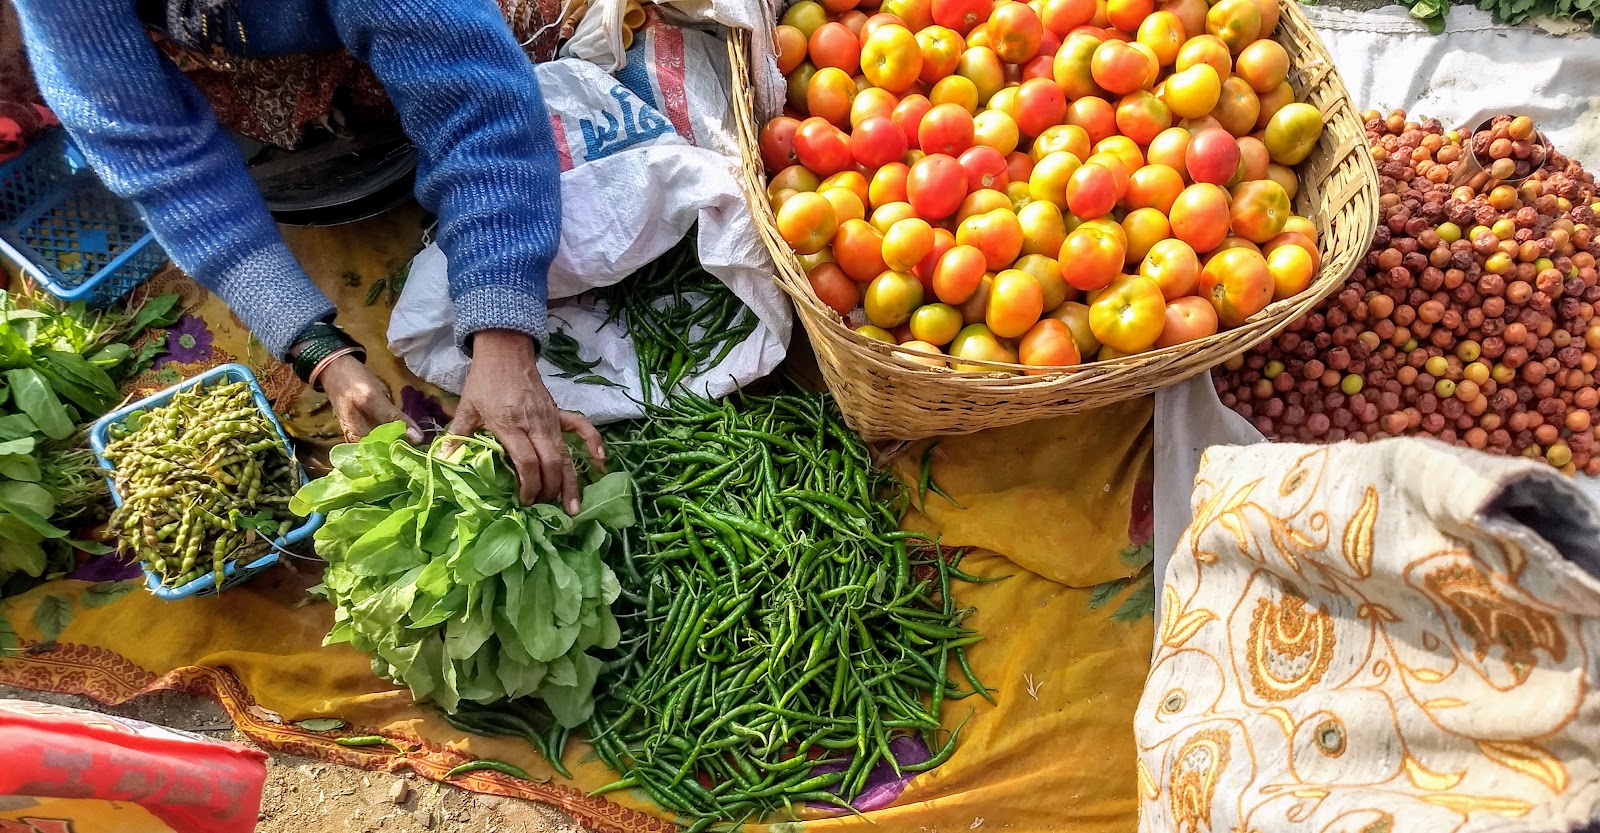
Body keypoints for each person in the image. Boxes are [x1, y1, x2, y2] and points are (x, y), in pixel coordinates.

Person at [12, 0, 603, 512]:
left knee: (506, 38)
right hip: (233, 48)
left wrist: (503, 337)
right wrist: (317, 351)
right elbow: (156, 155)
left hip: (412, 26)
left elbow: (475, 100)